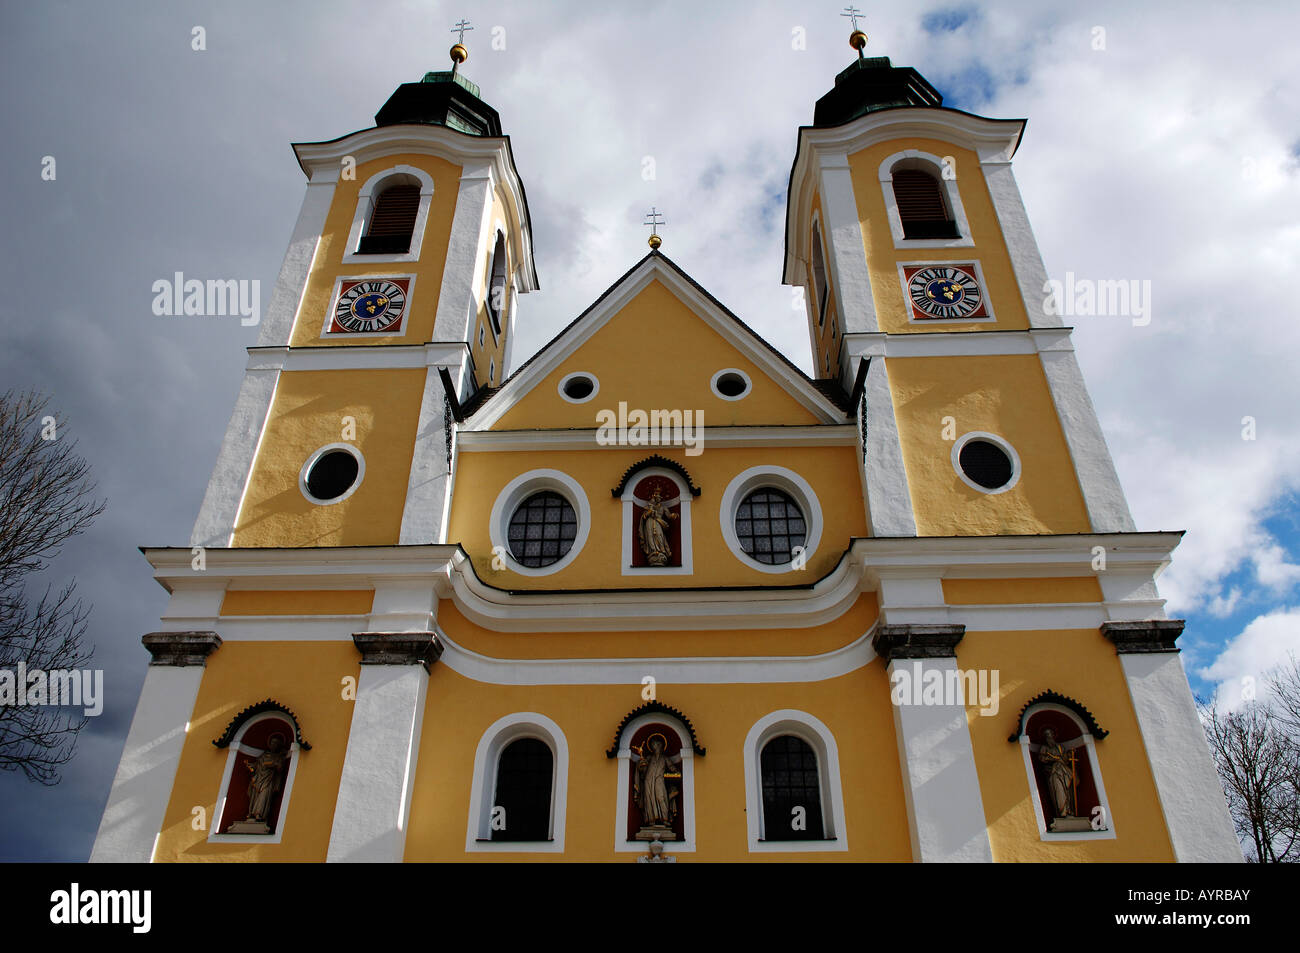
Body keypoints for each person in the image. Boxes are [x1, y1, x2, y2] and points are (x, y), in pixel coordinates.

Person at [244, 734, 288, 822]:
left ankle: (259, 814)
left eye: (276, 743)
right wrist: (250, 766)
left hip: (268, 780)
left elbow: (280, 768)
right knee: (255, 796)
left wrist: (274, 764)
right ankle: (252, 814)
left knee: (264, 796)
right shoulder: (263, 756)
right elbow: (256, 765)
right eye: (272, 743)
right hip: (258, 779)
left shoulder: (279, 757)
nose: (273, 745)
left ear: (279, 746)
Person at [1037, 727, 1075, 818]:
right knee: (1059, 790)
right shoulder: (1044, 747)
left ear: (1053, 735)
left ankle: (1069, 809)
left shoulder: (1060, 747)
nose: (1048, 737)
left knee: (1067, 790)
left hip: (1063, 771)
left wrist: (1069, 754)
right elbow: (1041, 758)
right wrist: (1051, 758)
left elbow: (1065, 759)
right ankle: (1062, 811)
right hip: (1053, 772)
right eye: (1046, 735)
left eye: (1049, 734)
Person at [638, 488, 676, 566]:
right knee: (650, 536)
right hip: (650, 522)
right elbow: (644, 517)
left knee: (659, 535)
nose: (658, 499)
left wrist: (673, 516)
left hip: (659, 522)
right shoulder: (649, 506)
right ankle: (653, 551)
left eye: (659, 498)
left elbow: (669, 516)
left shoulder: (663, 507)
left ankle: (661, 551)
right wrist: (650, 511)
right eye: (656, 498)